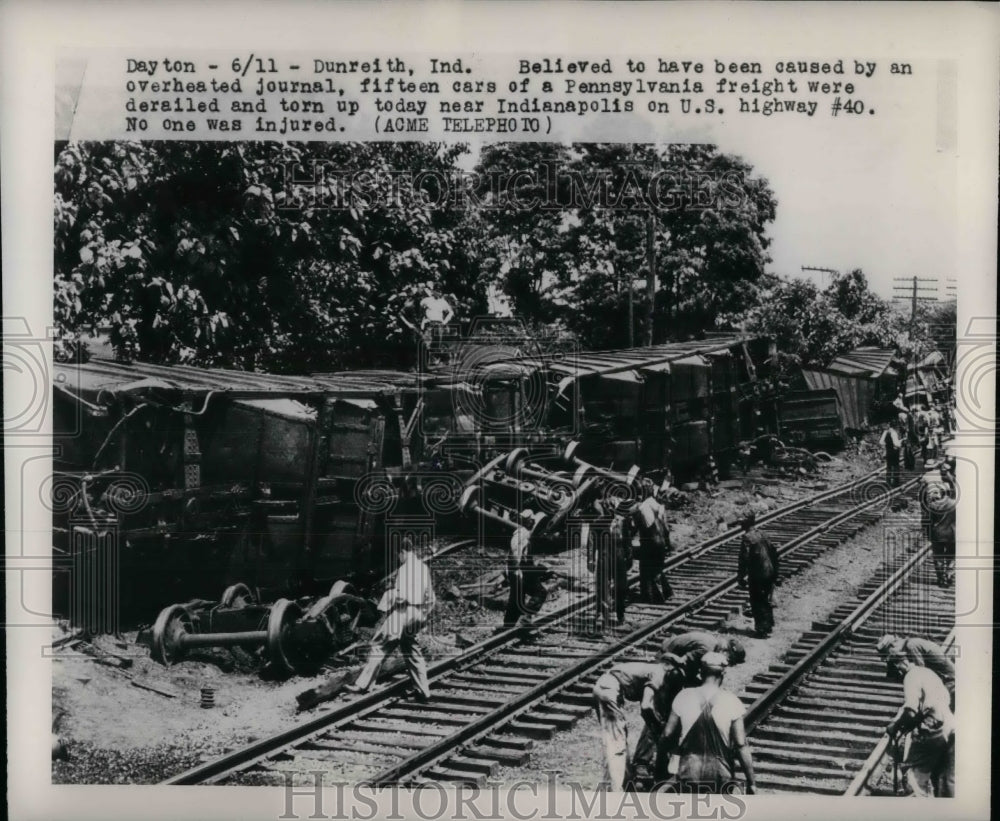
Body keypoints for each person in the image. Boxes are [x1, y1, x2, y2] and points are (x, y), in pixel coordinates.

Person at [347, 537, 435, 701]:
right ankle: (424, 692)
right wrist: (423, 614)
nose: (398, 558)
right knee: (412, 652)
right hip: (419, 614)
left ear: (402, 552)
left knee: (379, 646)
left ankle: (362, 685)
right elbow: (431, 597)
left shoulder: (404, 569)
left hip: (403, 613)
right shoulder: (424, 568)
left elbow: (401, 597)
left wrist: (389, 597)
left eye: (398, 555)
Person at [660, 653, 757, 794]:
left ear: (701, 672)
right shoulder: (732, 700)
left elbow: (667, 734)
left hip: (689, 771)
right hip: (720, 774)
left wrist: (662, 769)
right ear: (723, 673)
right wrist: (751, 782)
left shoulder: (683, 696)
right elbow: (741, 745)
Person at [591, 656, 684, 791]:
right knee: (616, 742)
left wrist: (653, 724)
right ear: (668, 666)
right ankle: (614, 791)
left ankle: (624, 783)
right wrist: (657, 725)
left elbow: (646, 710)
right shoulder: (660, 672)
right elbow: (646, 706)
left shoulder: (651, 670)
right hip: (609, 689)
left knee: (617, 739)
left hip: (606, 687)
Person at [885, 648, 955, 797]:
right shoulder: (927, 672)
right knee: (943, 779)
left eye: (896, 672)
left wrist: (895, 725)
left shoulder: (910, 677)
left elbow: (911, 709)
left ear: (899, 665)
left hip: (934, 728)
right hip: (950, 724)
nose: (898, 676)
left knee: (914, 779)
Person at [585, 499, 632, 633]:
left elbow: (627, 540)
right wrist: (590, 560)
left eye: (612, 508)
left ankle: (620, 614)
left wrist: (629, 557)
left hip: (619, 558)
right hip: (604, 558)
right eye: (608, 508)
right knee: (602, 588)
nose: (610, 511)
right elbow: (591, 542)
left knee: (621, 588)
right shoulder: (597, 523)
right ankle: (601, 615)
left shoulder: (622, 521)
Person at [876, 634, 955, 706]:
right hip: (943, 678)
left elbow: (921, 672)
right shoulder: (910, 644)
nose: (890, 657)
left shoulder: (911, 645)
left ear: (892, 645)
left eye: (888, 653)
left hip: (950, 681)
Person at [737, 512, 779, 638]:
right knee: (766, 598)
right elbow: (774, 553)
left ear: (747, 523)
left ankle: (761, 629)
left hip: (757, 574)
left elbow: (744, 559)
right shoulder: (763, 534)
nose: (740, 524)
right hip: (769, 571)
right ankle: (769, 625)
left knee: (756, 600)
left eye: (742, 522)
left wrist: (741, 576)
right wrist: (775, 573)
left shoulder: (747, 537)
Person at [503, 514, 549, 630]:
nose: (533, 523)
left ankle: (507, 628)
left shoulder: (522, 533)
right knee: (540, 592)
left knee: (516, 600)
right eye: (531, 521)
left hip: (519, 571)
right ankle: (525, 618)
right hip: (520, 572)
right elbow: (516, 555)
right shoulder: (522, 534)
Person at [633, 479, 672, 603]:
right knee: (657, 568)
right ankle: (667, 592)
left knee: (646, 568)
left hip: (650, 542)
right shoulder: (657, 505)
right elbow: (666, 529)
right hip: (661, 541)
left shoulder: (641, 507)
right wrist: (668, 544)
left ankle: (652, 597)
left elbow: (636, 528)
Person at [661, 631, 747, 685]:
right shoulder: (707, 649)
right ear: (725, 651)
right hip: (668, 653)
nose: (727, 663)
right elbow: (683, 661)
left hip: (675, 650)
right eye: (729, 661)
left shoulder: (713, 643)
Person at [925, 485, 956, 588]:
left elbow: (928, 522)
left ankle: (941, 578)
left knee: (938, 556)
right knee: (952, 556)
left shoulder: (933, 505)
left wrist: (929, 535)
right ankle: (949, 574)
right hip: (952, 535)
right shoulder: (955, 504)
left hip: (938, 535)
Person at [879, 423, 903, 488]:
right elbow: (896, 444)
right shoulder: (893, 433)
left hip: (888, 452)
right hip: (894, 452)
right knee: (896, 466)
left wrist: (887, 444)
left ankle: (888, 482)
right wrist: (901, 442)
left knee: (889, 467)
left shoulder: (885, 432)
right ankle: (896, 483)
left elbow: (881, 442)